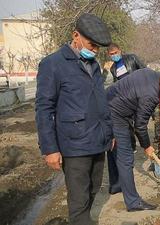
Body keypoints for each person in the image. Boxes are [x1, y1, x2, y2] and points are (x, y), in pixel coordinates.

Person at [35, 13, 113, 225]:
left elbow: (100, 102)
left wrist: (109, 133)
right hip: (74, 145)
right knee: (78, 200)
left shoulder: (95, 66)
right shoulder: (53, 64)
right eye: (91, 45)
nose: (95, 50)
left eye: (98, 47)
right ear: (75, 35)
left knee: (93, 189)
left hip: (98, 141)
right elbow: (44, 108)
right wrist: (50, 148)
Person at [106, 68, 160, 211]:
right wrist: (147, 146)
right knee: (126, 157)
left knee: (114, 149)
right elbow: (140, 126)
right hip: (116, 113)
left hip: (110, 104)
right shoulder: (151, 94)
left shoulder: (149, 73)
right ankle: (134, 203)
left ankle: (116, 185)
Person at [106, 43, 146, 195]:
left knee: (139, 123)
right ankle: (131, 146)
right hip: (125, 101)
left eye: (116, 52)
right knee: (127, 126)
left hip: (137, 96)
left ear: (120, 51)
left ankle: (138, 144)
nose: (114, 55)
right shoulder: (113, 68)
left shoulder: (132, 59)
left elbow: (143, 71)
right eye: (111, 54)